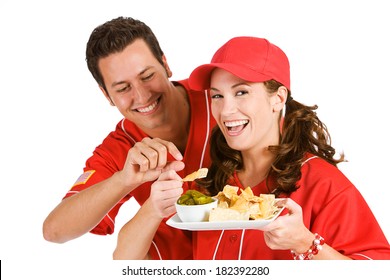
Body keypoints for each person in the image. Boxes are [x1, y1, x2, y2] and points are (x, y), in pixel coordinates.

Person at [179, 36, 390, 259]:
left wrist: (306, 244)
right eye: (217, 96)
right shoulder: (207, 186)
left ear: (278, 98)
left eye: (241, 92)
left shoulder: (323, 184)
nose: (225, 110)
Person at [42, 16, 216, 260]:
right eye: (123, 88)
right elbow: (54, 231)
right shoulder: (120, 148)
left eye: (147, 76)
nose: (142, 96)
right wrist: (123, 179)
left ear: (165, 64)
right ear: (107, 95)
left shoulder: (219, 99)